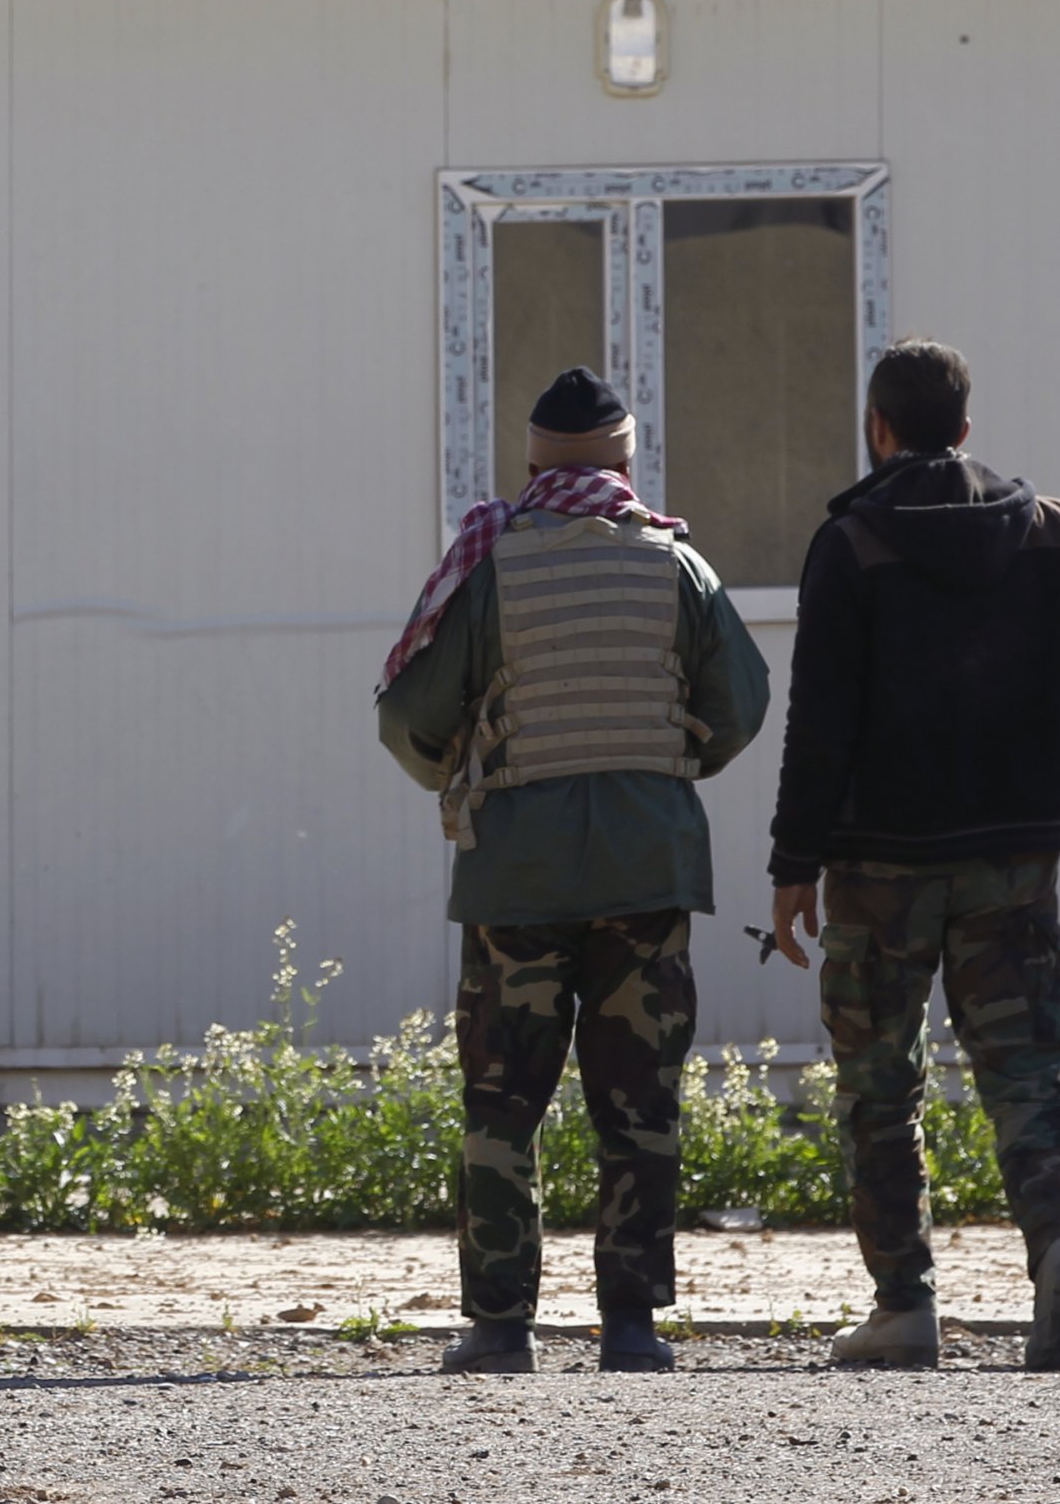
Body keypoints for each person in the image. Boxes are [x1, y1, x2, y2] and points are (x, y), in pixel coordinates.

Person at [379, 367, 769, 1374]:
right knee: (638, 1104)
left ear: (531, 463)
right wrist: (657, 773)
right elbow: (741, 704)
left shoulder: (490, 564)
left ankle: (500, 1326)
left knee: (502, 1104)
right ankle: (631, 1325)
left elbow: (408, 715)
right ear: (625, 461)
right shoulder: (678, 567)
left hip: (515, 880)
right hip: (648, 877)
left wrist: (467, 771)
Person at [766, 340, 1060, 1372]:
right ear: (965, 428)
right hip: (1014, 859)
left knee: (878, 1084)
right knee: (1027, 1070)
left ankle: (903, 1302)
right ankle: (1058, 1249)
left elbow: (819, 721)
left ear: (877, 429)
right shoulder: (1052, 531)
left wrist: (791, 862)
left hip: (877, 866)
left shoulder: (850, 543)